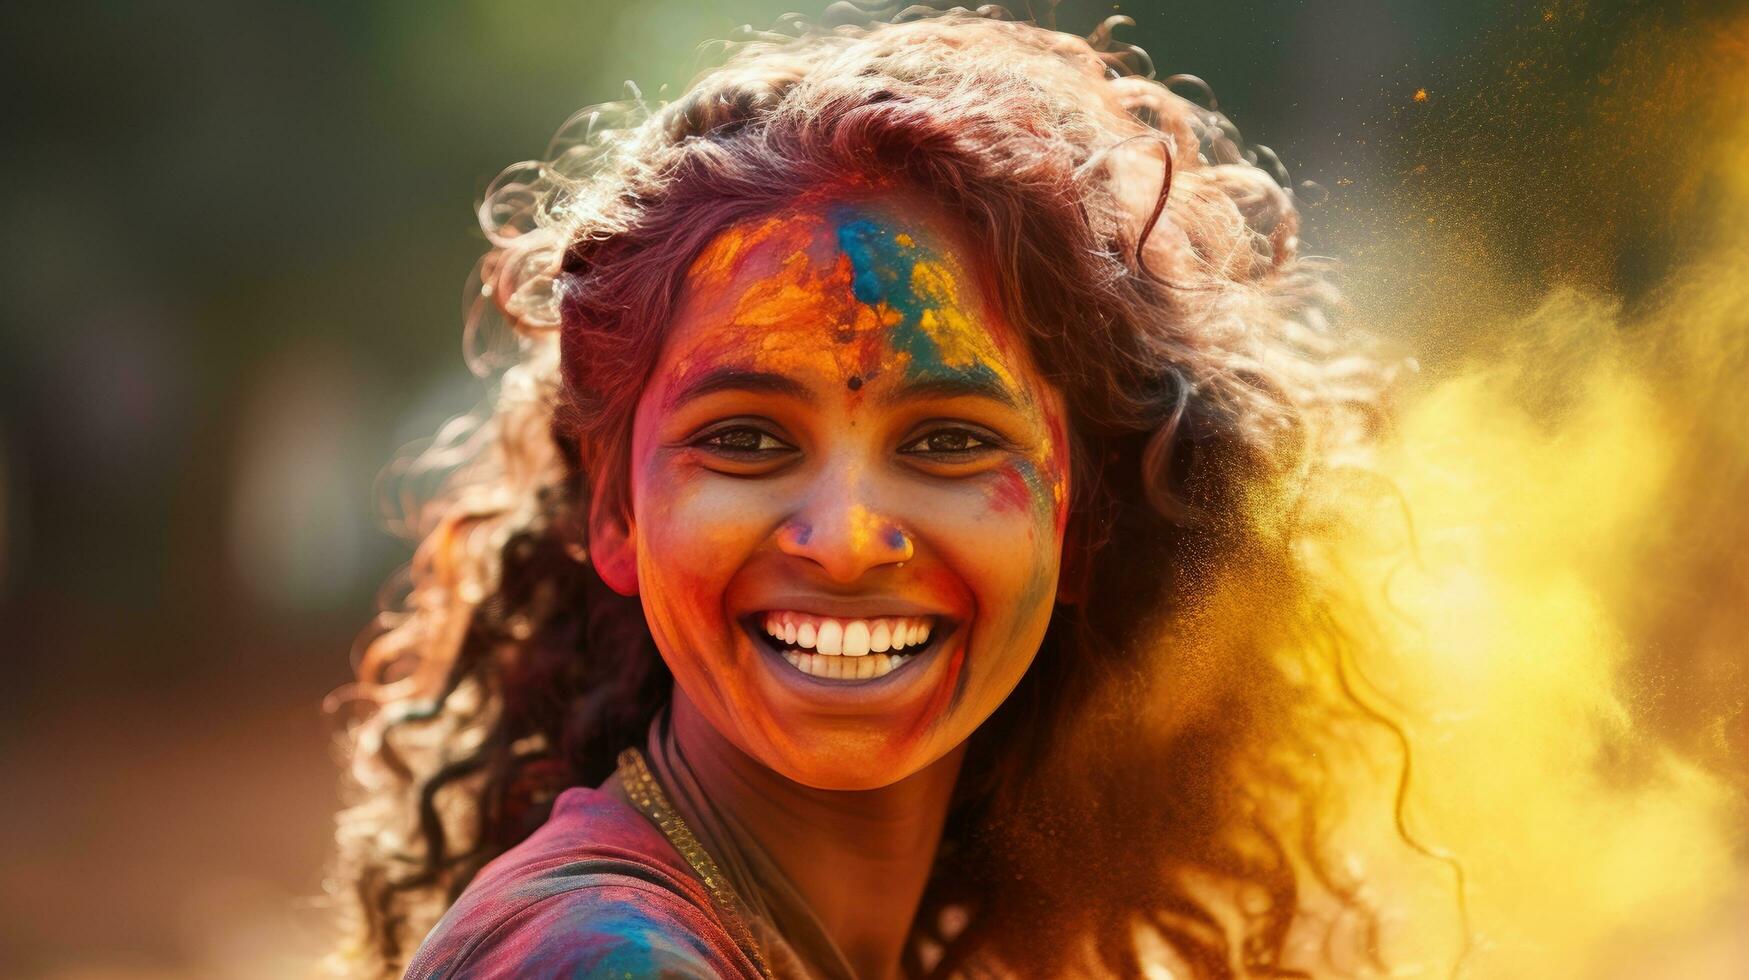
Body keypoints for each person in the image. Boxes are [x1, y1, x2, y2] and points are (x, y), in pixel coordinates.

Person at [323, 5, 1410, 978]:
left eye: (946, 440)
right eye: (746, 438)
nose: (845, 541)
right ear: (614, 510)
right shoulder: (605, 958)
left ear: (1081, 521)